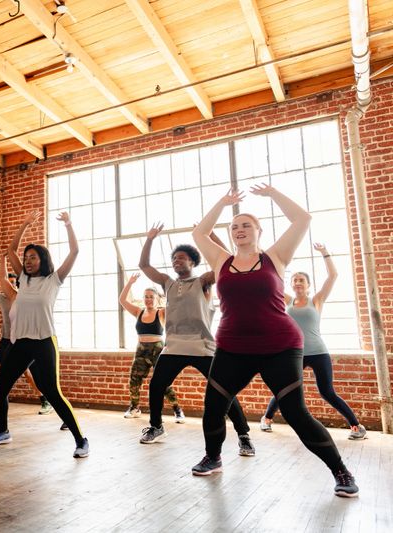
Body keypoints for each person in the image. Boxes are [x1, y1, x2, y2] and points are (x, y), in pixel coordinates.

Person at [190, 184, 358, 498]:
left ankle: (341, 471)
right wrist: (222, 203)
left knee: (295, 413)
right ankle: (213, 457)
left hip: (280, 346)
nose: (239, 230)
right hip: (232, 347)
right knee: (213, 407)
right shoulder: (220, 260)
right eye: (234, 226)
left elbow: (302, 219)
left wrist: (274, 195)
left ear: (259, 231)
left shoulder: (276, 257)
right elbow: (200, 232)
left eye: (246, 225)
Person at [136, 223, 255, 457]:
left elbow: (226, 261)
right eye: (174, 259)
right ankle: (156, 426)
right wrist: (149, 239)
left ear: (192, 262)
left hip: (203, 347)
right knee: (156, 385)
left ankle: (244, 436)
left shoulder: (203, 281)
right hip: (174, 346)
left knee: (224, 391)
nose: (176, 261)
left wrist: (209, 234)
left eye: (181, 258)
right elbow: (144, 265)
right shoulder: (168, 283)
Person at [0, 210, 89, 458]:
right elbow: (11, 250)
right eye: (26, 258)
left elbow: (74, 252)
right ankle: (3, 431)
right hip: (20, 343)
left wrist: (69, 225)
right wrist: (25, 223)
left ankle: (80, 439)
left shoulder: (53, 280)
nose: (28, 261)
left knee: (51, 391)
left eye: (33, 257)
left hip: (44, 342)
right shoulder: (22, 279)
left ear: (43, 259)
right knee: (0, 389)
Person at [260, 243, 366, 440]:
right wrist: (262, 255)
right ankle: (266, 419)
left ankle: (356, 426)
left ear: (308, 285)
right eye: (295, 280)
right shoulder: (287, 300)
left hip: (318, 352)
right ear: (291, 284)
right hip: (295, 353)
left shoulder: (316, 300)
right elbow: (270, 279)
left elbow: (333, 276)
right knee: (285, 388)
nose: (298, 283)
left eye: (302, 280)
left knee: (327, 392)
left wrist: (325, 253)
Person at [0, 257, 53, 425]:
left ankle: (46, 400)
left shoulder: (22, 298)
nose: (12, 284)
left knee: (34, 376)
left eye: (15, 282)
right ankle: (1, 410)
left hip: (25, 342)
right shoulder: (2, 298)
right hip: (6, 341)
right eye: (10, 282)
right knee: (1, 375)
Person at [119, 273, 181, 420]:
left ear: (157, 299)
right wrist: (130, 283)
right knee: (134, 380)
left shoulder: (161, 312)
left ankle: (177, 409)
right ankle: (134, 408)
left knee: (163, 381)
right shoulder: (138, 311)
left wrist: (169, 288)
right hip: (141, 350)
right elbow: (122, 300)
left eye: (151, 297)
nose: (148, 299)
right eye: (146, 296)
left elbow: (176, 303)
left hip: (158, 350)